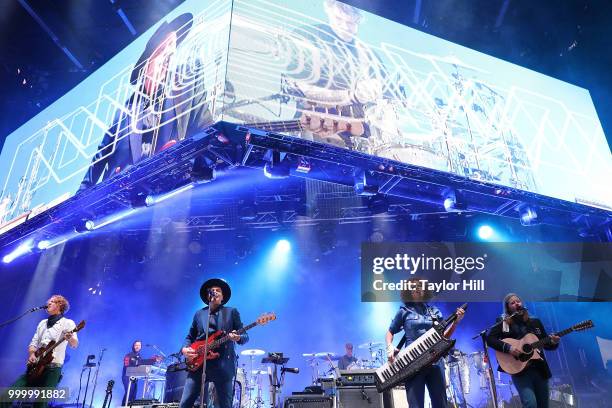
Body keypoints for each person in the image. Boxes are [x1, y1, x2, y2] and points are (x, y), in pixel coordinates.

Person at [80, 12, 213, 189]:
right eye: (163, 48)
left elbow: (205, 126)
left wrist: (203, 166)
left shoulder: (186, 85)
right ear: (147, 61)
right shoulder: (125, 110)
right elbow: (100, 157)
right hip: (120, 199)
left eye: (173, 47)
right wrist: (79, 201)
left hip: (171, 191)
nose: (170, 53)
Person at [283, 0, 387, 150]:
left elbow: (386, 107)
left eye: (351, 23)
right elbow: (303, 88)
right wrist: (352, 96)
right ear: (329, 11)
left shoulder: (370, 56)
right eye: (339, 19)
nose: (345, 27)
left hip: (360, 144)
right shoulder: (307, 37)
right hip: (314, 135)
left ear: (359, 20)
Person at [385, 280, 465, 408]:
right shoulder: (403, 311)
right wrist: (389, 347)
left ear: (425, 291)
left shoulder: (434, 311)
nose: (417, 288)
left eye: (419, 286)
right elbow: (390, 332)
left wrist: (455, 323)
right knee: (415, 404)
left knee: (441, 403)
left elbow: (443, 337)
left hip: (435, 361)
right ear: (408, 292)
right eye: (413, 287)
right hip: (412, 362)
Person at [179, 278, 248, 408]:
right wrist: (184, 349)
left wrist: (238, 338)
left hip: (223, 366)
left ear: (222, 297)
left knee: (224, 405)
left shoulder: (231, 312)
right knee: (185, 403)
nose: (214, 292)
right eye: (212, 291)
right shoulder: (199, 314)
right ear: (207, 295)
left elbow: (245, 336)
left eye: (218, 291)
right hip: (199, 364)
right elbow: (189, 336)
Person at [1, 295, 79, 408]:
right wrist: (32, 354)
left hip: (53, 368)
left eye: (53, 302)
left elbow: (74, 344)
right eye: (49, 301)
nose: (49, 303)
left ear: (60, 305)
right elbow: (34, 342)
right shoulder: (42, 323)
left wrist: (70, 337)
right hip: (36, 367)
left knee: (40, 403)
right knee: (8, 395)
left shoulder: (68, 323)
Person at [487, 293, 560, 408]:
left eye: (518, 301)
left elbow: (546, 344)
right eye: (513, 302)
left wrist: (554, 342)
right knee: (530, 404)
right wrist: (509, 348)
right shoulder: (503, 322)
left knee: (543, 405)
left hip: (540, 369)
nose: (517, 303)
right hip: (519, 369)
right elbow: (490, 339)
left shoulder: (535, 322)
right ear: (507, 307)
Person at [122, 340, 162, 405]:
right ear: (133, 346)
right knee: (129, 392)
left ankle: (128, 405)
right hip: (126, 376)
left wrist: (153, 361)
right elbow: (138, 362)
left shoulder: (139, 356)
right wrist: (152, 360)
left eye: (139, 345)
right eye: (136, 345)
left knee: (133, 394)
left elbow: (141, 362)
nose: (137, 347)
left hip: (134, 377)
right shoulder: (129, 355)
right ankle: (124, 405)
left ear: (141, 347)